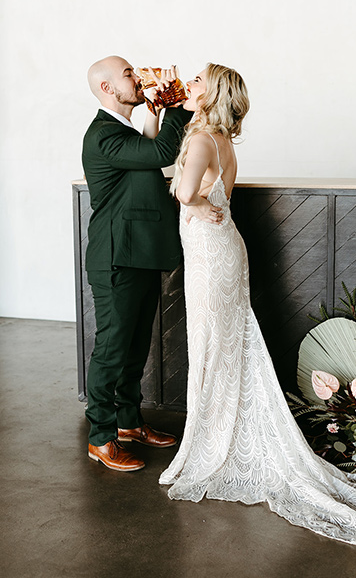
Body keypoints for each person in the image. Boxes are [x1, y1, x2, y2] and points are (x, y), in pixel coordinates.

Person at [159, 62, 356, 559]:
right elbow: (194, 189)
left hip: (210, 257)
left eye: (197, 80)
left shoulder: (199, 142)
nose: (189, 86)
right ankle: (222, 433)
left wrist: (190, 197)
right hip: (222, 250)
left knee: (211, 346)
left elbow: (179, 189)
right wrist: (195, 194)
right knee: (225, 346)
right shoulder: (222, 143)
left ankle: (208, 445)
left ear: (212, 92)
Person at [82, 56, 205, 472]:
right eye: (128, 75)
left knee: (135, 350)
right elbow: (162, 152)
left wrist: (158, 113)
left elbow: (150, 154)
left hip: (139, 255)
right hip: (116, 259)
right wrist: (178, 105)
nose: (138, 79)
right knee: (112, 351)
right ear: (106, 89)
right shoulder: (102, 135)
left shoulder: (121, 131)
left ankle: (129, 424)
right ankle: (101, 437)